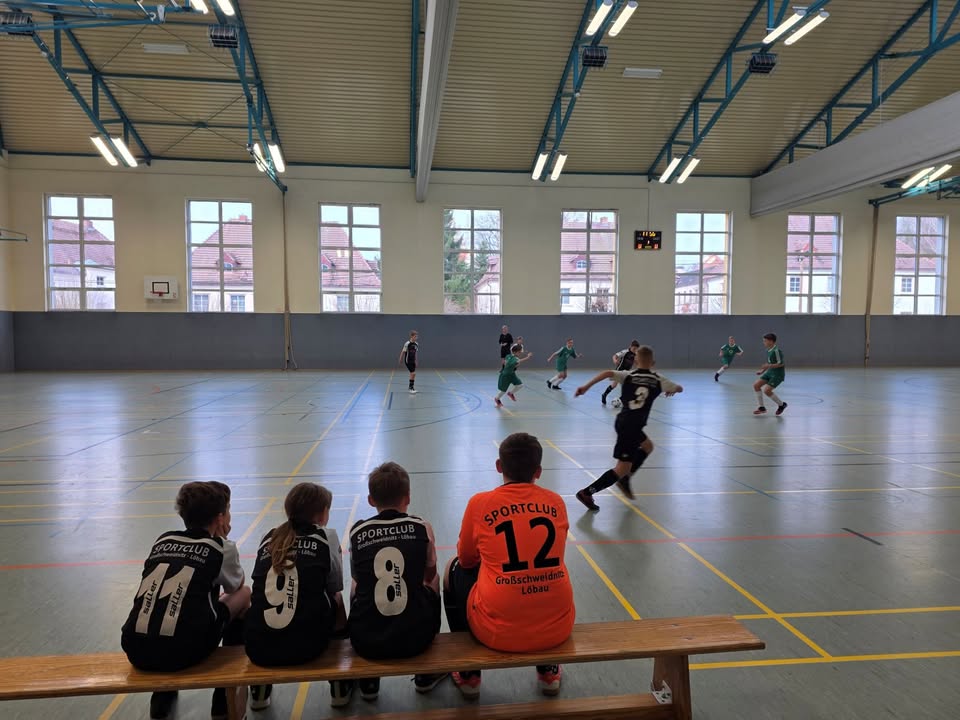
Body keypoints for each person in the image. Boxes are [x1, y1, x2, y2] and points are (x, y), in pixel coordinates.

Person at [443, 433, 574, 700]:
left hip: (496, 632)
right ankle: (548, 669)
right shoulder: (556, 502)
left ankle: (469, 674)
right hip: (558, 627)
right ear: (538, 471)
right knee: (550, 573)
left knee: (453, 569)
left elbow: (466, 559)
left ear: (498, 466)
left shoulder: (480, 503)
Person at [120, 481, 251, 720]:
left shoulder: (163, 540)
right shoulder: (220, 547)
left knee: (172, 611)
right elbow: (235, 585)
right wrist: (224, 540)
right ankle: (223, 702)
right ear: (220, 517)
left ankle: (161, 701)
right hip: (187, 649)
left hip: (135, 647)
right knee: (244, 596)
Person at [340, 462, 444, 705]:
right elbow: (429, 575)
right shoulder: (421, 527)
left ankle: (368, 681)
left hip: (367, 641)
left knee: (356, 586)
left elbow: (358, 579)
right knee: (435, 579)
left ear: (370, 500)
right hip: (418, 639)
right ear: (407, 498)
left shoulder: (358, 531)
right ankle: (426, 672)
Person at [244, 483, 345, 711]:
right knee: (337, 598)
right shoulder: (326, 536)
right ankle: (339, 684)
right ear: (323, 513)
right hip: (309, 647)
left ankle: (259, 690)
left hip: (259, 649)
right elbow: (335, 585)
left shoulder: (269, 537)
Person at [574, 345, 683, 511]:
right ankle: (587, 492)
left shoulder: (629, 375)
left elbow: (607, 373)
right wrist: (671, 390)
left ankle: (625, 479)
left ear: (636, 361)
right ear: (653, 363)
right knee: (622, 468)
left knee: (647, 446)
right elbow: (679, 388)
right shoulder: (658, 379)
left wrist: (585, 387)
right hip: (631, 427)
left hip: (625, 422)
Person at [753, 333, 787, 415]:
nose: (763, 342)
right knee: (756, 385)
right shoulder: (768, 350)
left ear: (771, 341)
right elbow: (769, 363)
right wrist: (762, 371)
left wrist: (768, 366)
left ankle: (781, 405)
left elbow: (781, 364)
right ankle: (762, 408)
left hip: (777, 374)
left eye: (765, 341)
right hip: (770, 372)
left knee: (767, 390)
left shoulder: (777, 351)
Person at [600, 340, 640, 406]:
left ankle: (622, 400)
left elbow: (636, 361)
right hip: (619, 371)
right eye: (634, 349)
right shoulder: (625, 352)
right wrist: (615, 360)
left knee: (627, 386)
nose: (635, 350)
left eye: (636, 349)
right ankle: (604, 395)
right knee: (614, 385)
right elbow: (614, 356)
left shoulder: (635, 354)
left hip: (626, 373)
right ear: (630, 346)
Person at [495, 343, 533, 408]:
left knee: (520, 385)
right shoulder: (514, 358)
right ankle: (497, 399)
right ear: (515, 352)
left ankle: (510, 393)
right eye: (519, 352)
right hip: (505, 375)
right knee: (503, 391)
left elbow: (506, 364)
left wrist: (514, 365)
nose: (520, 353)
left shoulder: (508, 356)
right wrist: (528, 357)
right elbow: (519, 361)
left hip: (512, 374)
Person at [399, 330, 419, 394]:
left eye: (417, 336)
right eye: (415, 336)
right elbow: (403, 351)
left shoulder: (416, 344)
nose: (416, 338)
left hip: (413, 361)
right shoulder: (407, 343)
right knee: (413, 373)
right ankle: (411, 388)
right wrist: (400, 359)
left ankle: (411, 387)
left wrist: (416, 361)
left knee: (412, 374)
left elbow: (415, 353)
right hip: (408, 360)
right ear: (411, 336)